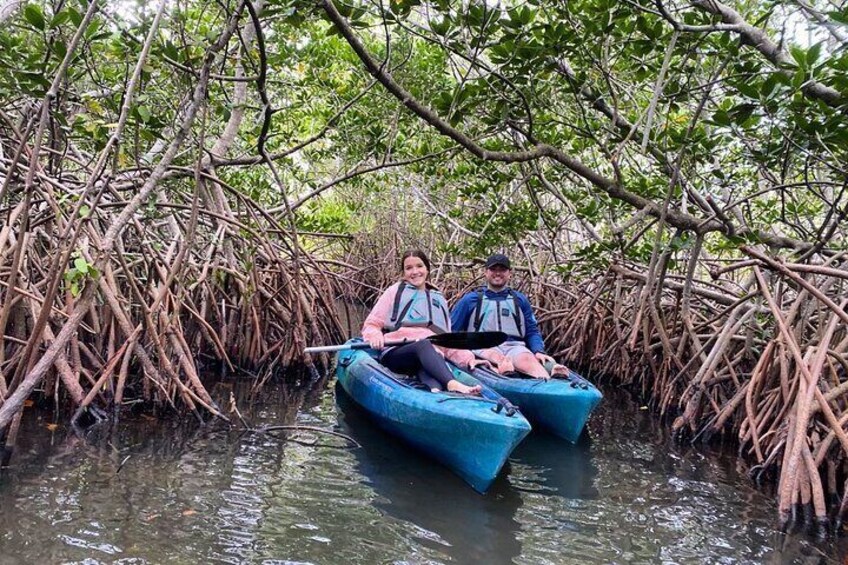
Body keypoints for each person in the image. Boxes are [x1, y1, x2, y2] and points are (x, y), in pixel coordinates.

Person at [361, 249, 488, 394]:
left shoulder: (438, 299)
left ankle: (435, 393)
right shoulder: (394, 291)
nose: (415, 272)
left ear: (427, 269)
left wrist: (467, 359)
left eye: (419, 266)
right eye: (409, 268)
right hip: (397, 353)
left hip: (429, 358)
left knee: (435, 385)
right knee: (424, 344)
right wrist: (375, 336)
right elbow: (371, 324)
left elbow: (447, 340)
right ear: (403, 273)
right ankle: (452, 383)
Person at [450, 253, 567, 379]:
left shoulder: (520, 300)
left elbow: (532, 331)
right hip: (482, 345)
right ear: (486, 272)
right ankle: (507, 375)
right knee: (499, 359)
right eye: (493, 269)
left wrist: (538, 351)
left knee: (528, 360)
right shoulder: (470, 300)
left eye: (502, 270)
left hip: (514, 346)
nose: (498, 273)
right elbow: (451, 330)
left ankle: (549, 380)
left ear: (509, 273)